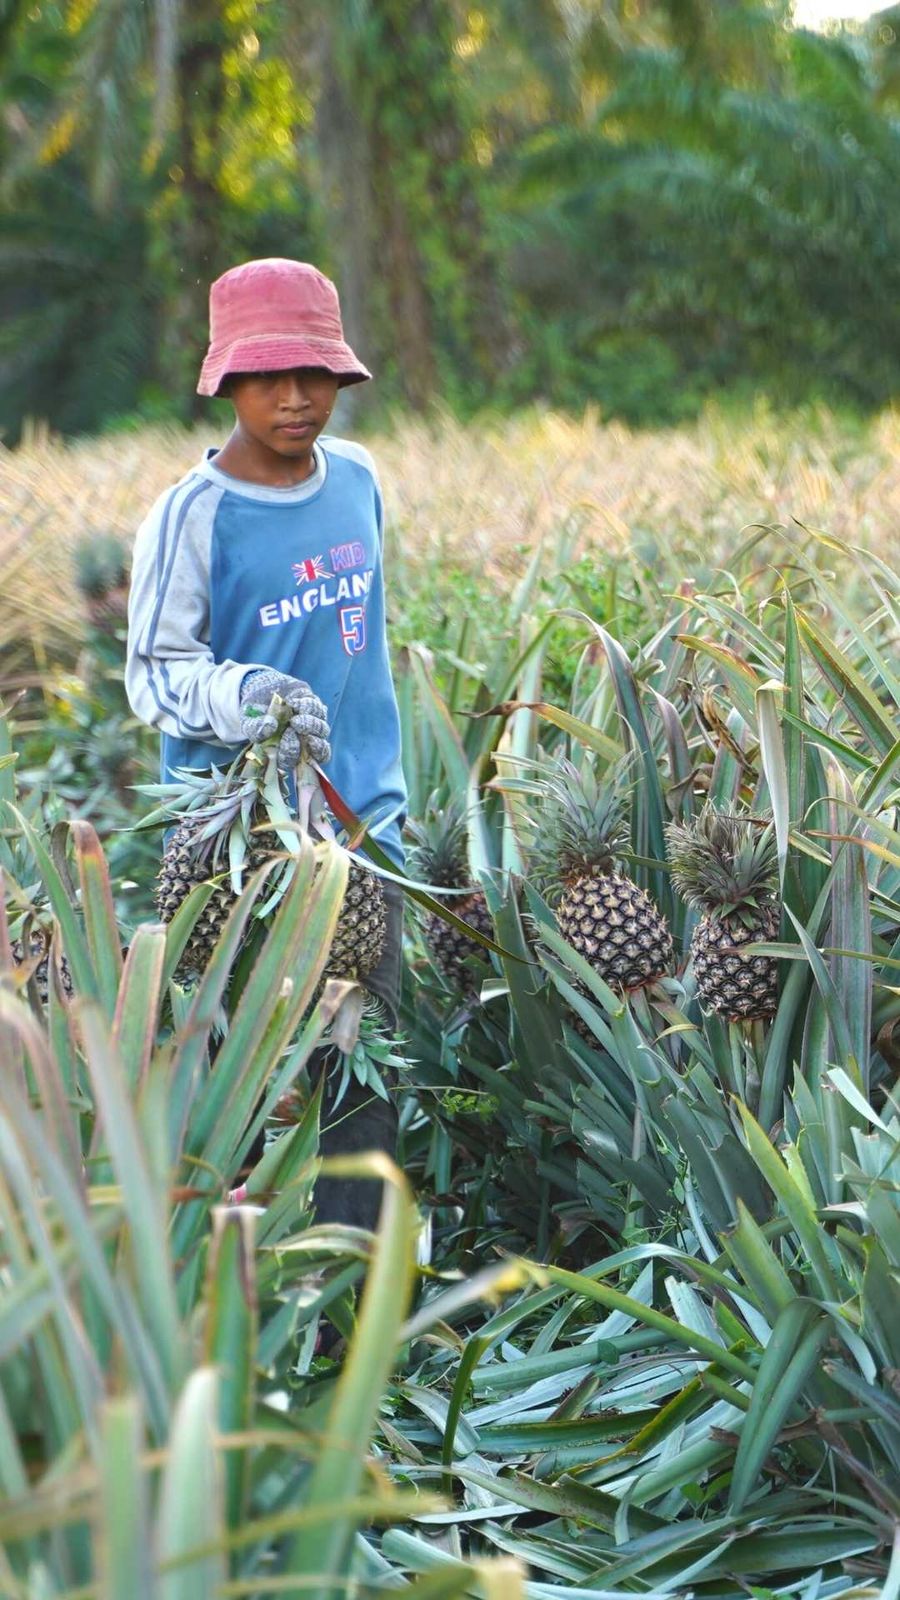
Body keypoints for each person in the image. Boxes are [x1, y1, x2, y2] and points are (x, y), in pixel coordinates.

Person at [125, 257, 406, 1232]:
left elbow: (363, 644)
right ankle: (217, 1290)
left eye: (316, 375)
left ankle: (356, 1308)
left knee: (362, 1087)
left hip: (364, 835)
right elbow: (152, 672)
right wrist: (248, 691)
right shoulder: (192, 516)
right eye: (271, 377)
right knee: (227, 1094)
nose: (296, 398)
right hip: (234, 853)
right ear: (227, 382)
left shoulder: (362, 481)